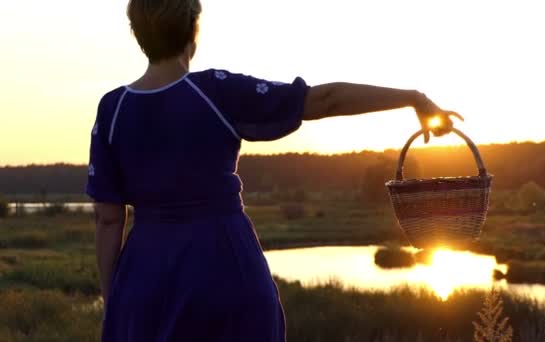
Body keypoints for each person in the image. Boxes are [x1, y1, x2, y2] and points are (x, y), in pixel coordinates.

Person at [87, 0, 462, 341]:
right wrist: (412, 98)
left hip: (146, 279)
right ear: (193, 30)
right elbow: (325, 100)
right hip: (225, 266)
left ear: (138, 34)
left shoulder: (113, 109)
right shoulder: (216, 91)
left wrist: (116, 302)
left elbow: (108, 220)